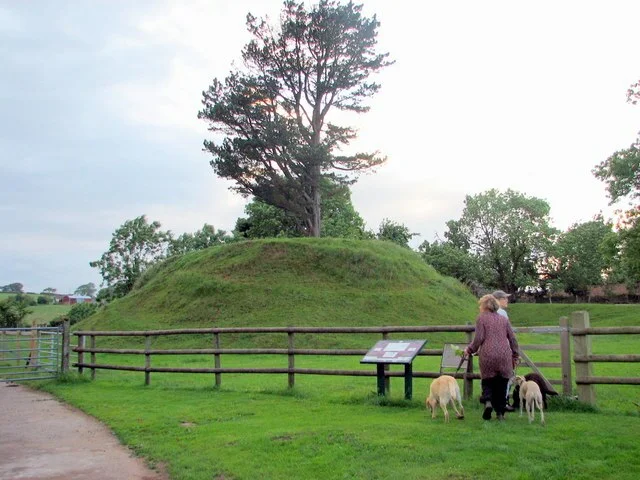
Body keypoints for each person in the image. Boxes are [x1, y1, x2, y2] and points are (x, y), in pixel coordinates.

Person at [464, 294, 519, 421]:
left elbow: (479, 338)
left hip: (488, 354)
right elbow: (512, 338)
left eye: (480, 305)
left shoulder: (482, 318)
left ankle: (488, 401)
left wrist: (469, 349)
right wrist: (515, 354)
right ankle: (500, 413)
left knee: (487, 381)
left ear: (484, 306)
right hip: (504, 355)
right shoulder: (503, 320)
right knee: (502, 383)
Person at [493, 290, 516, 412]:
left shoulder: (486, 313)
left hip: (489, 349)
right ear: (497, 300)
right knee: (507, 376)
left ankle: (491, 401)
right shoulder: (502, 313)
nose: (507, 300)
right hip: (503, 349)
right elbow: (509, 332)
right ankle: (504, 401)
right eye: (504, 298)